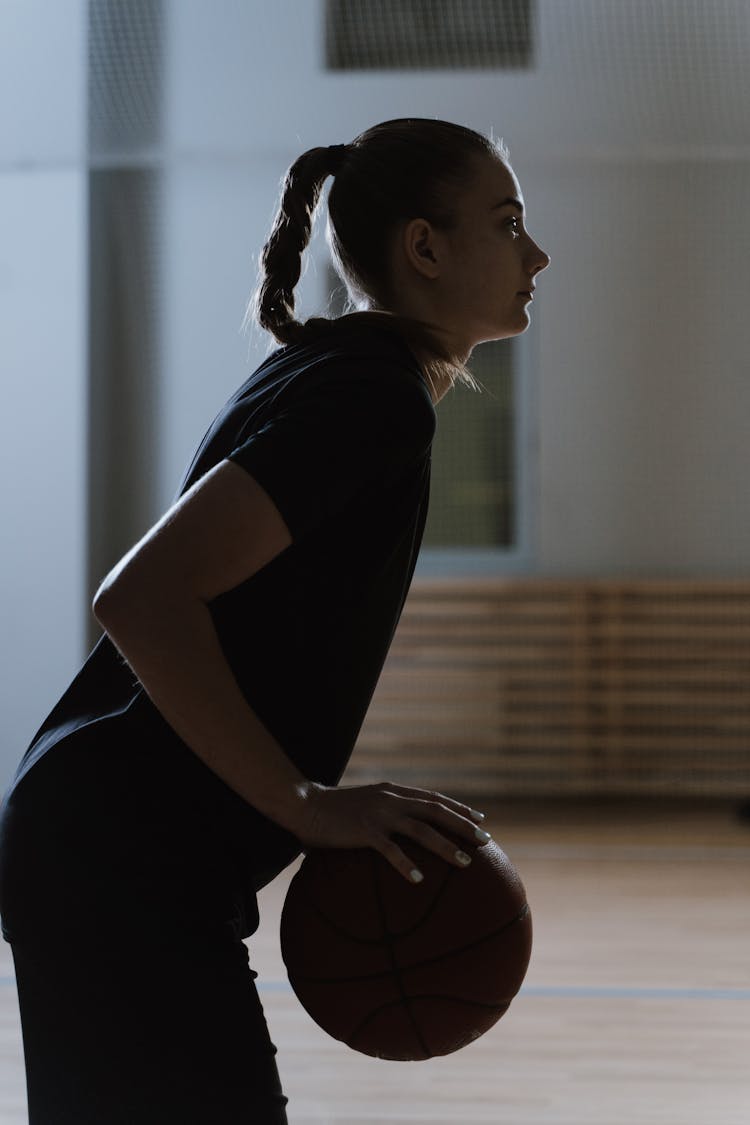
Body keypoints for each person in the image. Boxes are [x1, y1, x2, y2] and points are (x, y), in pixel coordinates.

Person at [0, 117, 550, 1123]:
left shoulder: (336, 370)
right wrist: (303, 801)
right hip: (120, 853)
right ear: (424, 248)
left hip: (104, 841)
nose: (537, 254)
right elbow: (143, 596)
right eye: (508, 223)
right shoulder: (369, 396)